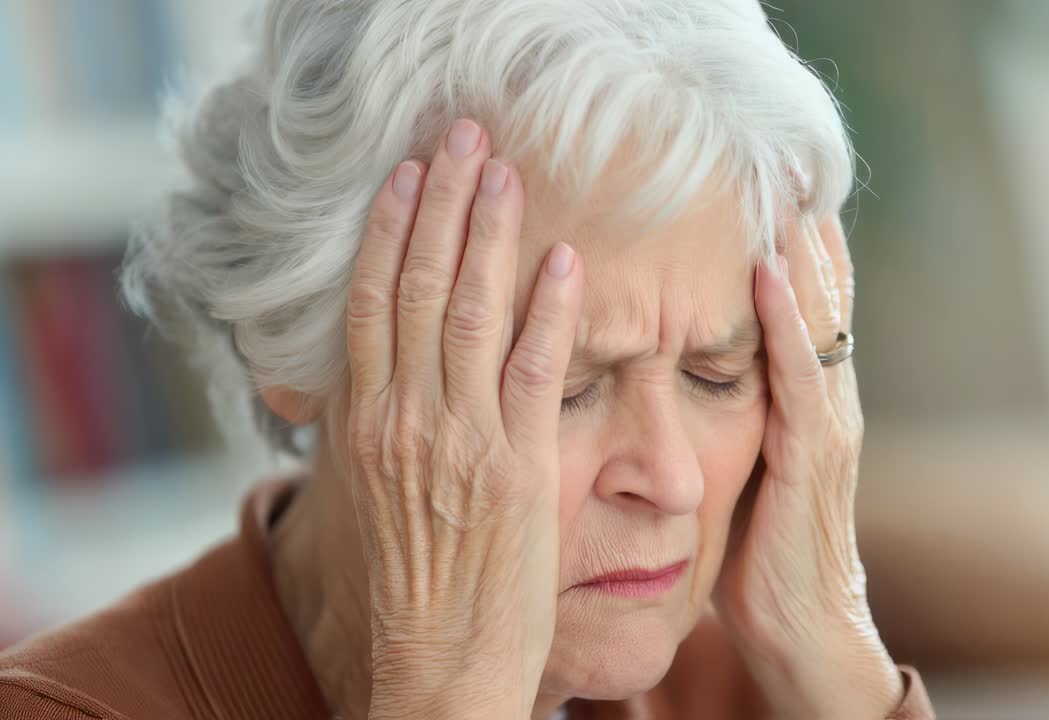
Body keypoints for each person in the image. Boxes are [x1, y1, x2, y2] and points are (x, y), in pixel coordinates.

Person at [0, 1, 934, 717]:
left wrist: (841, 669)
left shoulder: (754, 693)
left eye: (717, 375)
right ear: (295, 350)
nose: (674, 478)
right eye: (559, 386)